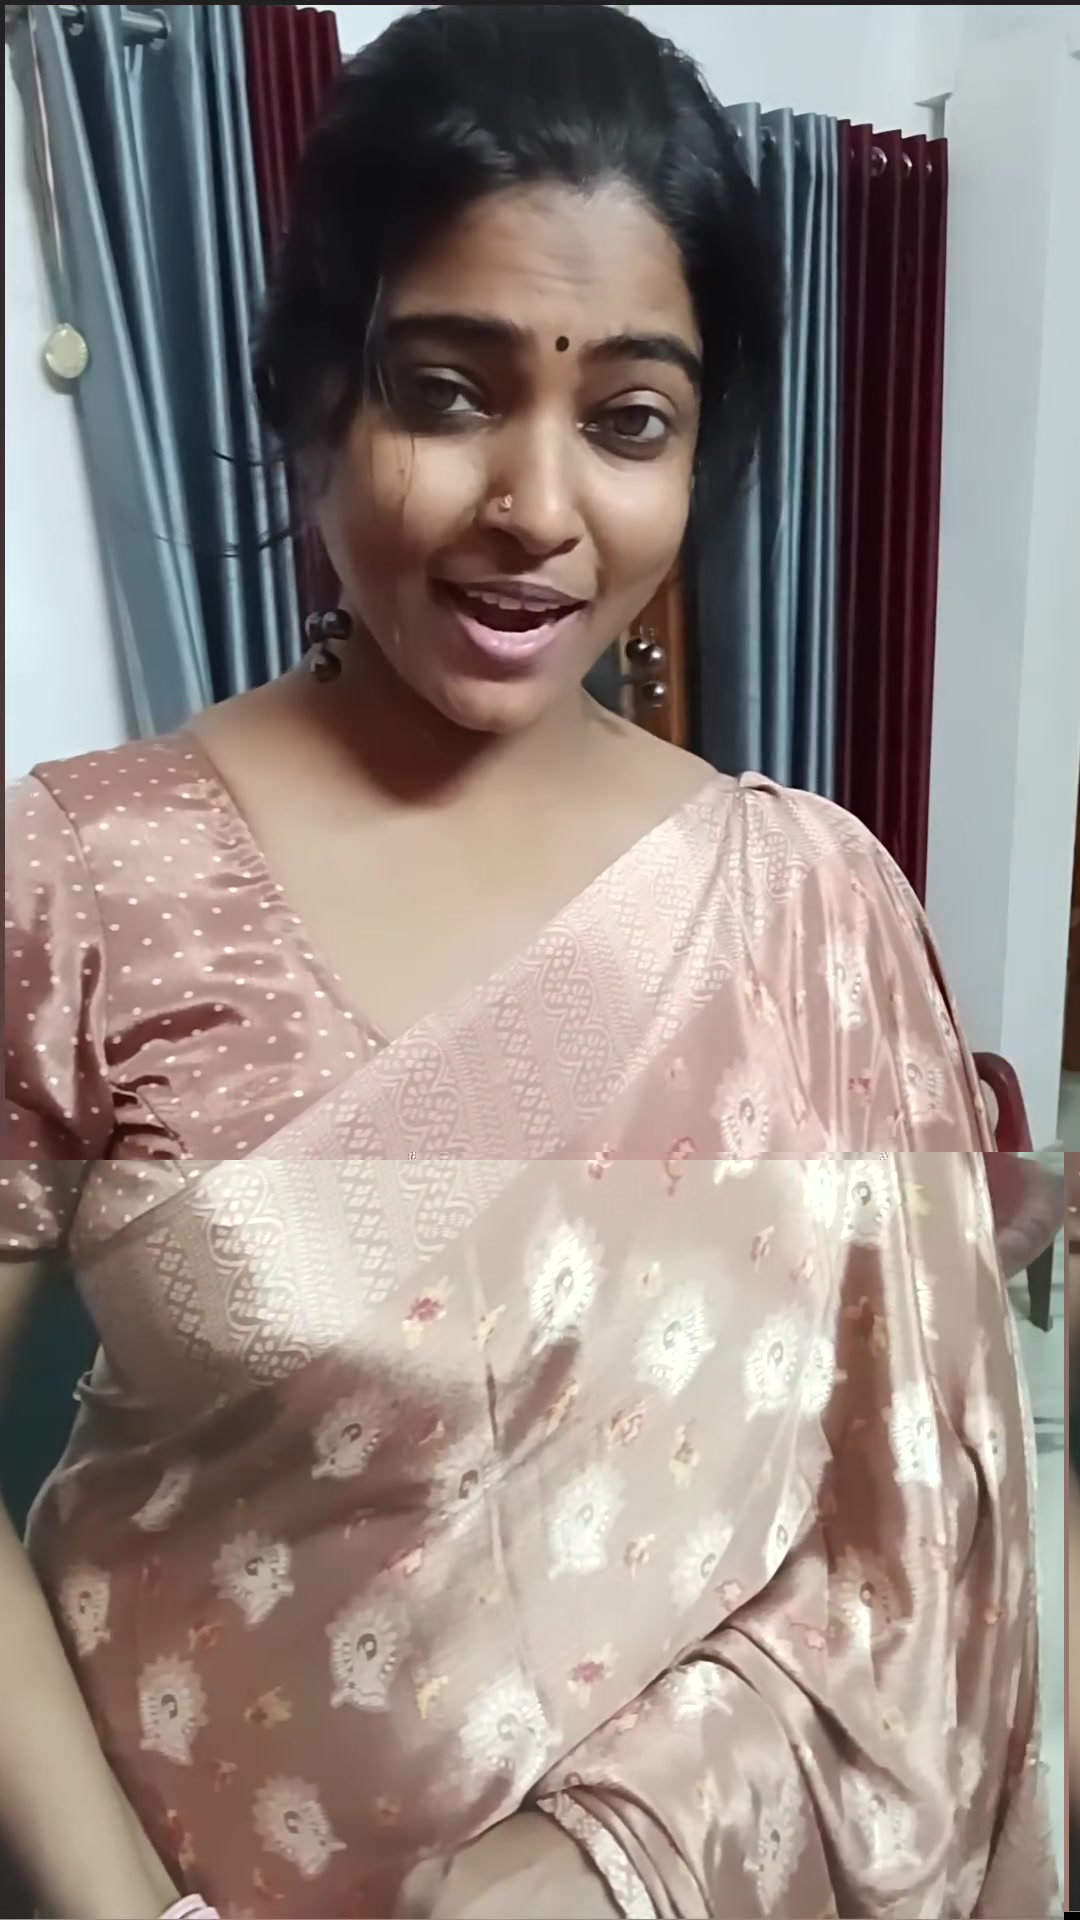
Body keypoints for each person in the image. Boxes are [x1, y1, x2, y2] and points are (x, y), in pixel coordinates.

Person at [0, 6, 1060, 1916]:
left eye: (630, 420)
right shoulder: (83, 876)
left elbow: (915, 1551)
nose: (540, 510)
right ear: (313, 390)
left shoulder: (808, 909)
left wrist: (603, 1858)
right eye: (446, 393)